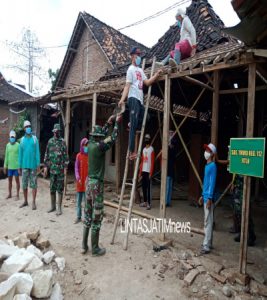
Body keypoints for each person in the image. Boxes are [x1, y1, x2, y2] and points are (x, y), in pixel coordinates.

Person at [82, 114, 121, 256]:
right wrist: (116, 124)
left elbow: (102, 134)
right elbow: (113, 138)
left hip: (88, 183)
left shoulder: (91, 144)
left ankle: (84, 246)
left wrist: (108, 122)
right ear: (98, 137)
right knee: (96, 216)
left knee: (87, 214)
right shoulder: (99, 147)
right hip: (96, 185)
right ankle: (95, 248)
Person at [118, 46, 162, 160]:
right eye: (137, 56)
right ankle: (131, 152)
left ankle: (132, 124)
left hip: (140, 100)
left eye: (139, 56)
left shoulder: (140, 71)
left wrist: (156, 75)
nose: (138, 58)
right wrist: (122, 99)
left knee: (146, 117)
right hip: (132, 98)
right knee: (133, 128)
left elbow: (147, 82)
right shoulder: (130, 70)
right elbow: (127, 85)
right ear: (132, 56)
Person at [44, 124, 69, 216]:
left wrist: (66, 167)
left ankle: (59, 208)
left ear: (59, 132)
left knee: (60, 189)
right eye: (55, 131)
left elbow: (66, 156)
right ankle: (52, 206)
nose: (56, 133)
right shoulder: (50, 141)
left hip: (60, 170)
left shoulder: (63, 142)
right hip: (52, 170)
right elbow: (46, 155)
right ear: (53, 131)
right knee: (52, 188)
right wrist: (46, 167)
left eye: (58, 131)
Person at [198, 143, 217, 254]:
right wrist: (202, 195)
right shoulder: (208, 166)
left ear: (212, 154)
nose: (206, 152)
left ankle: (206, 245)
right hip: (205, 196)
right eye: (206, 150)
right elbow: (206, 183)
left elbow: (212, 183)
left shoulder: (213, 166)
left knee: (208, 221)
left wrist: (209, 198)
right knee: (208, 220)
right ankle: (208, 242)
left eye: (208, 151)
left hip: (208, 198)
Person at [19, 120, 40, 210]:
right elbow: (20, 154)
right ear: (24, 129)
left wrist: (38, 164)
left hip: (33, 166)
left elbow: (37, 152)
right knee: (24, 184)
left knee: (34, 184)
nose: (28, 128)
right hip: (24, 166)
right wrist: (19, 166)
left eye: (29, 126)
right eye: (26, 127)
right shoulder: (22, 140)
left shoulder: (35, 139)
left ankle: (34, 202)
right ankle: (25, 201)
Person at [231, 174, 256, 246]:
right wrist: (233, 183)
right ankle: (241, 234)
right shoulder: (237, 166)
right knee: (238, 214)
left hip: (244, 192)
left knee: (246, 215)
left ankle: (251, 236)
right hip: (237, 191)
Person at [74, 138, 89, 224]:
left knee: (87, 202)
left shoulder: (90, 156)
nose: (86, 147)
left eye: (87, 145)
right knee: (79, 201)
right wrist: (77, 177)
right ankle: (78, 217)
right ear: (81, 145)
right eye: (85, 145)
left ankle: (86, 217)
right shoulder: (78, 156)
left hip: (87, 183)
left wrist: (88, 178)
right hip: (80, 182)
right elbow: (76, 168)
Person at [138, 134, 155, 210]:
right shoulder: (144, 150)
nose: (146, 140)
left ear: (149, 140)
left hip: (148, 171)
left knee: (148, 188)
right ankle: (145, 202)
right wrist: (140, 173)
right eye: (145, 139)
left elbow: (152, 162)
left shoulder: (151, 149)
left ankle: (149, 203)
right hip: (144, 171)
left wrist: (151, 173)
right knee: (144, 187)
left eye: (147, 139)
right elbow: (142, 162)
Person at [4, 130, 20, 200]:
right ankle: (10, 194)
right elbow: (6, 156)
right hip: (10, 167)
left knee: (17, 181)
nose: (12, 138)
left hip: (16, 167)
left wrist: (20, 167)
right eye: (11, 137)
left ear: (15, 137)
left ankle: (17, 195)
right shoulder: (7, 145)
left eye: (13, 137)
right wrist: (5, 166)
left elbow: (20, 157)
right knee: (9, 181)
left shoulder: (18, 145)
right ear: (9, 137)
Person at [166, 131, 178, 207]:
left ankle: (168, 202)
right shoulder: (168, 149)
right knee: (167, 187)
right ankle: (166, 201)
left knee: (169, 187)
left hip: (170, 170)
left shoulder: (173, 150)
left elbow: (174, 144)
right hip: (167, 170)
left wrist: (170, 143)